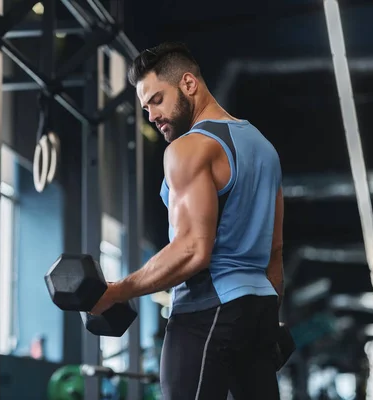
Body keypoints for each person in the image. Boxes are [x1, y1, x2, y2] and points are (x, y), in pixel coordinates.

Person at [90, 41, 284, 399]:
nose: (151, 115)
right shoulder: (264, 149)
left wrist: (117, 291)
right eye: (145, 107)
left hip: (207, 309)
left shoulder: (188, 148)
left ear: (189, 84)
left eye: (157, 100)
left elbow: (193, 250)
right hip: (259, 310)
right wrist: (270, 321)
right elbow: (274, 252)